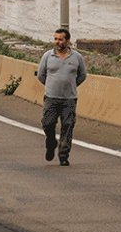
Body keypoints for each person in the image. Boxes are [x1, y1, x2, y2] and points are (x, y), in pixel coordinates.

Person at [37, 28, 87, 167]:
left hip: (69, 99)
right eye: (55, 39)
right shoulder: (48, 56)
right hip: (51, 98)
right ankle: (51, 142)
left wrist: (71, 85)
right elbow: (41, 75)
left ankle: (63, 156)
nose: (57, 42)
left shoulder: (77, 57)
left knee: (68, 126)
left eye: (60, 39)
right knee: (47, 123)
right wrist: (51, 86)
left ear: (67, 41)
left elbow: (82, 75)